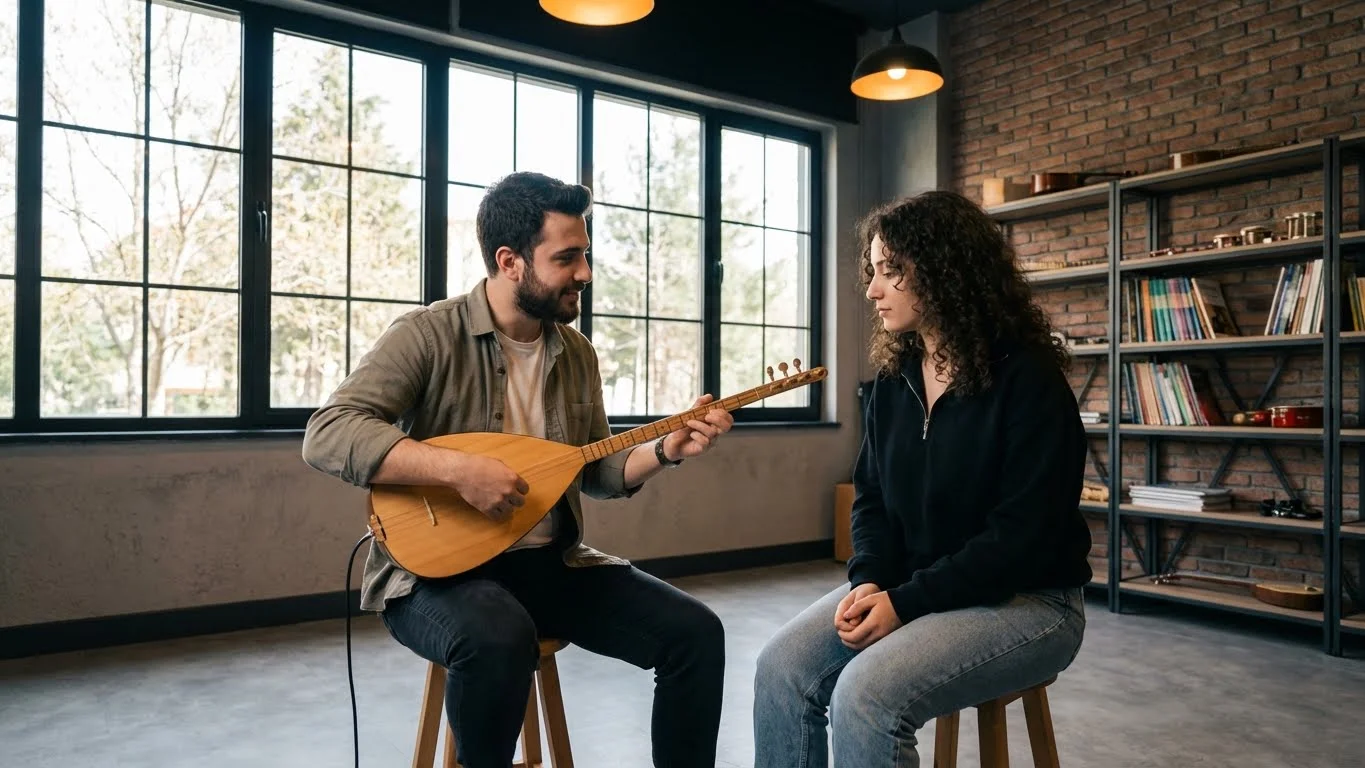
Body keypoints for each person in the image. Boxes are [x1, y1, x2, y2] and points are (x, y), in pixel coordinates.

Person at [302, 171, 733, 768]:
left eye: (585, 254)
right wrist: (458, 472)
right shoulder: (428, 335)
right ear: (510, 261)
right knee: (499, 636)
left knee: (695, 634)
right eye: (567, 258)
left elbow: (598, 472)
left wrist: (666, 450)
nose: (585, 273)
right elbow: (329, 431)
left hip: (549, 566)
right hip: (434, 579)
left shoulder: (576, 353)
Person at [752, 190, 1092, 767]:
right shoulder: (895, 378)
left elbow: (1022, 537)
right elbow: (873, 499)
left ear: (944, 272)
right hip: (913, 587)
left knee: (867, 695)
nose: (872, 289)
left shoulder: (1028, 380)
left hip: (1030, 601)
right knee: (781, 667)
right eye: (873, 270)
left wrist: (906, 602)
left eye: (892, 272)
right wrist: (869, 580)